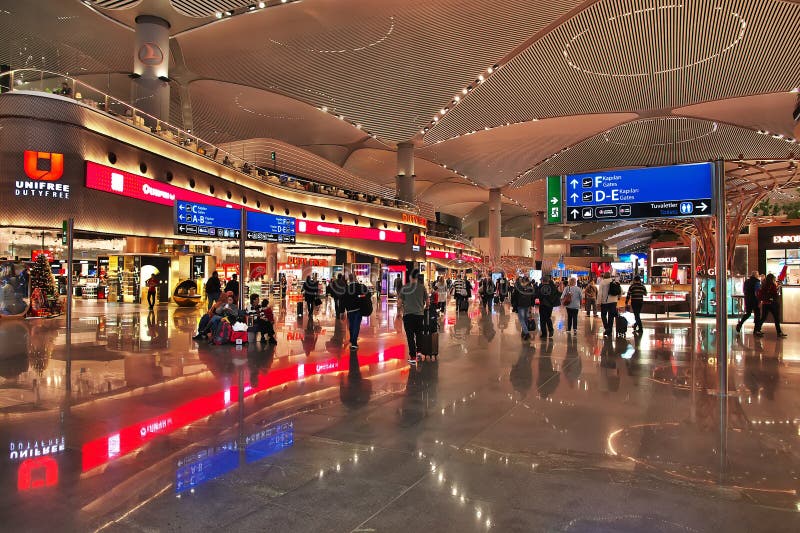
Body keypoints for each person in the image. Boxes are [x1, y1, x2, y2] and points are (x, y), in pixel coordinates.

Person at [399, 269, 428, 364]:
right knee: (419, 334)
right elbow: (427, 302)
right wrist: (424, 308)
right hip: (419, 315)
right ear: (417, 277)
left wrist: (400, 310)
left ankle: (412, 357)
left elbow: (399, 303)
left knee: (410, 337)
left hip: (408, 316)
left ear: (410, 277)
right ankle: (419, 352)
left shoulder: (404, 288)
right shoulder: (422, 287)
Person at [754, 273, 786, 338]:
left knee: (763, 317)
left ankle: (757, 330)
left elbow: (761, 293)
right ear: (772, 278)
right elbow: (774, 294)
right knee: (776, 318)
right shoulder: (772, 285)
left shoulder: (764, 284)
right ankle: (779, 332)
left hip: (765, 303)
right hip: (772, 304)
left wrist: (760, 301)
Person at [342, 273, 369, 349]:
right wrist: (359, 297)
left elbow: (343, 299)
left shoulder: (346, 288)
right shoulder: (359, 287)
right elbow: (365, 295)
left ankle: (352, 339)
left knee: (351, 325)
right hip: (358, 309)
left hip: (349, 310)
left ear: (349, 279)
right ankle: (354, 342)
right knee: (356, 325)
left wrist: (342, 310)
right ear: (355, 278)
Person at [598, 272, 620, 338]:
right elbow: (620, 290)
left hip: (605, 302)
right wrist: (618, 297)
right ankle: (609, 330)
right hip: (613, 301)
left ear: (604, 276)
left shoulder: (602, 282)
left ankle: (606, 327)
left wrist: (598, 302)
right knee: (611, 315)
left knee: (603, 315)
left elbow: (600, 293)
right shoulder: (614, 281)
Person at [513, 276, 535, 340]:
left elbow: (514, 296)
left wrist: (514, 304)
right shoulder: (530, 287)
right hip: (527, 304)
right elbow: (533, 296)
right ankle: (524, 333)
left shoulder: (519, 287)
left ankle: (526, 332)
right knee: (525, 319)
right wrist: (531, 304)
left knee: (521, 319)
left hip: (521, 304)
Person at [537, 274, 559, 339]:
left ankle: (544, 334)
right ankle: (551, 330)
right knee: (548, 317)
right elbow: (556, 295)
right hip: (550, 305)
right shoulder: (553, 287)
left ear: (542, 281)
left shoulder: (540, 287)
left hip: (542, 305)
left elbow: (537, 295)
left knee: (542, 319)